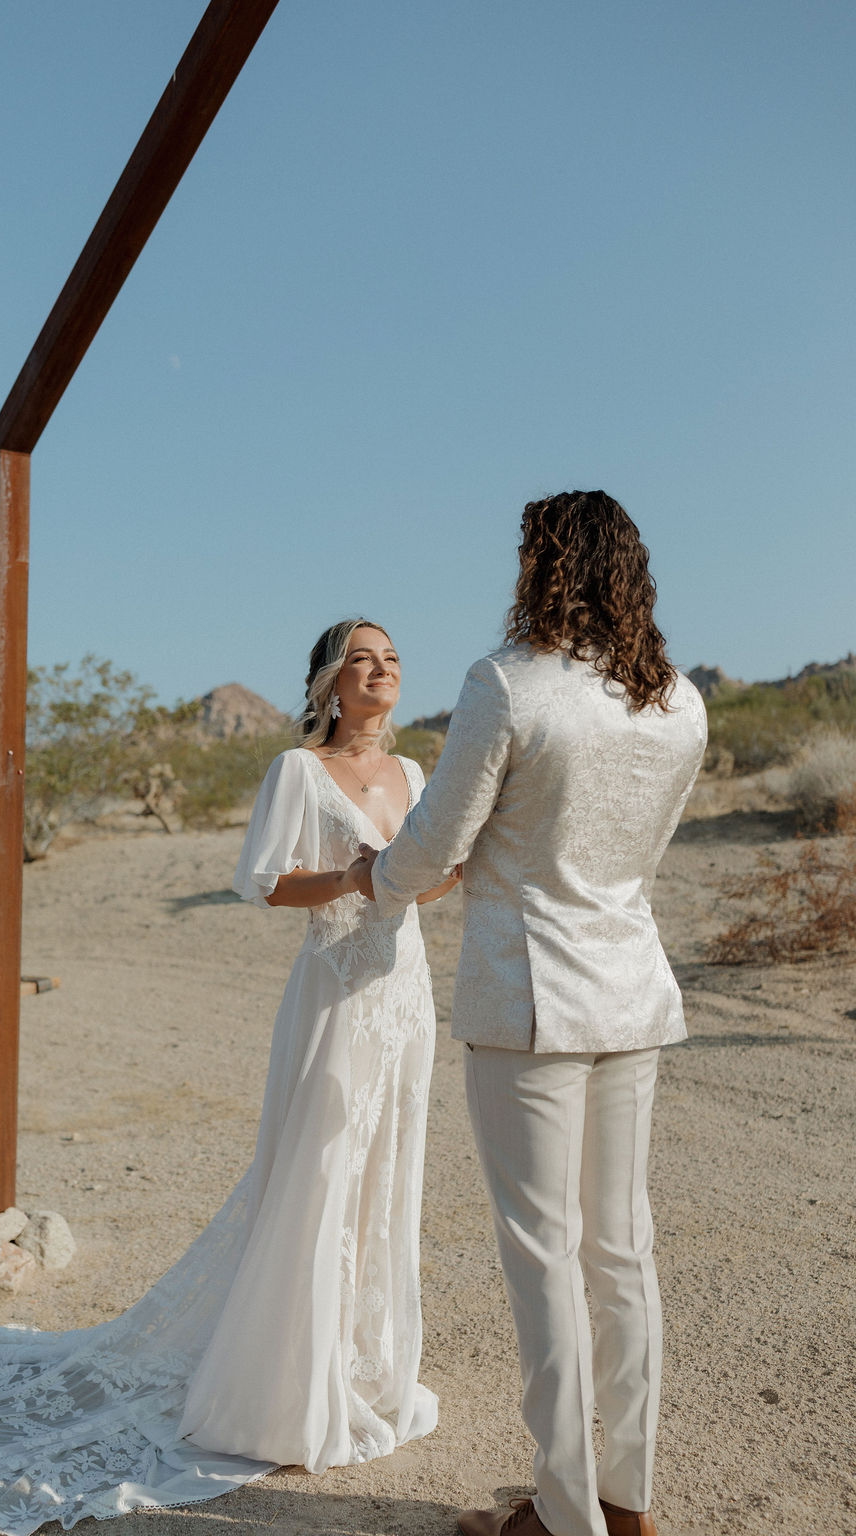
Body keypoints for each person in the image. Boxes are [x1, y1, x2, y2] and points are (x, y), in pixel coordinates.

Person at [0, 618, 455, 1536]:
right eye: (362, 658)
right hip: (335, 995)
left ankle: (364, 1362)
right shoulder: (297, 770)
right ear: (328, 682)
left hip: (408, 996)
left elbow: (435, 875)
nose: (382, 669)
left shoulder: (419, 777)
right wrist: (355, 883)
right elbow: (266, 881)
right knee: (316, 1173)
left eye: (392, 656)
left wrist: (413, 881)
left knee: (385, 1173)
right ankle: (286, 1384)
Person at [351, 492, 707, 1536]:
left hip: (528, 999)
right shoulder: (679, 701)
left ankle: (561, 1517)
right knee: (621, 1251)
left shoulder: (506, 684)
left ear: (543, 565)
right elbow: (645, 850)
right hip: (632, 989)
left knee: (544, 1255)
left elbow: (431, 846)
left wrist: (379, 872)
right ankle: (625, 1502)